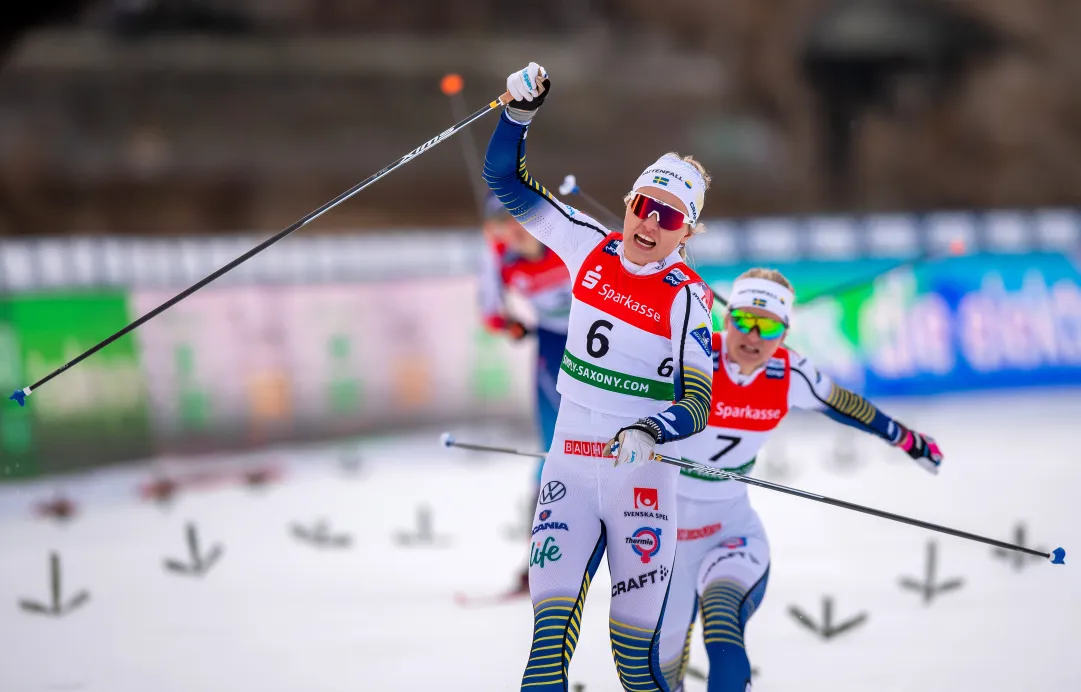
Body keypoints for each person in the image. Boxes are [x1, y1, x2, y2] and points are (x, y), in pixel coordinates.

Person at [484, 62, 715, 692]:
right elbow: (504, 180)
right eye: (644, 206)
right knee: (544, 654)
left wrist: (651, 428)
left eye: (668, 218)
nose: (648, 224)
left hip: (638, 482)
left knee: (637, 670)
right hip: (568, 470)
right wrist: (518, 113)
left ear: (687, 232)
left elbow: (699, 401)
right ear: (628, 204)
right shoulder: (588, 244)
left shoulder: (688, 298)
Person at [657, 268, 944, 692]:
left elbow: (847, 405)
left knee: (721, 619)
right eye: (744, 320)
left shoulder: (790, 373)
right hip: (662, 537)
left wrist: (906, 438)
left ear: (784, 332)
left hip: (730, 533)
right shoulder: (690, 356)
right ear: (726, 317)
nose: (753, 336)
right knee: (658, 672)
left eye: (769, 326)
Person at [477, 191, 572, 594]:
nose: (511, 234)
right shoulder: (500, 254)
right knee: (553, 451)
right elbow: (490, 311)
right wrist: (509, 324)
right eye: (502, 227)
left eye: (518, 223)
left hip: (605, 344)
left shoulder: (568, 241)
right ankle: (539, 559)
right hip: (553, 345)